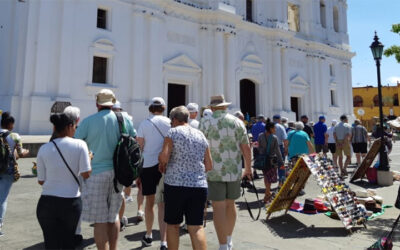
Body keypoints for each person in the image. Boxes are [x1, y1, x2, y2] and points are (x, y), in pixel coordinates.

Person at [75, 89, 136, 250]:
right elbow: (133, 140)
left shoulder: (88, 121)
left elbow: (76, 143)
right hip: (118, 173)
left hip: (95, 173)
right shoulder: (124, 120)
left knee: (100, 220)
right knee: (114, 216)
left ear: (97, 103)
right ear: (113, 102)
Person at [199, 95, 252, 250]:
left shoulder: (205, 122)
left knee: (218, 208)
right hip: (234, 170)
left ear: (212, 108)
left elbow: (200, 146)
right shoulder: (237, 121)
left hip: (213, 170)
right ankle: (229, 239)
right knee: (231, 205)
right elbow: (246, 147)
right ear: (225, 107)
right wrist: (248, 168)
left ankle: (223, 245)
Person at [158, 106, 212, 250]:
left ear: (174, 120)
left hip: (176, 184)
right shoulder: (200, 135)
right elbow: (209, 165)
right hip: (198, 185)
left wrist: (162, 163)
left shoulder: (173, 132)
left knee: (173, 225)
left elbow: (164, 157)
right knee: (196, 227)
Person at [36, 113, 91, 249]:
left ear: (54, 128)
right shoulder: (80, 145)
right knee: (68, 243)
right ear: (70, 126)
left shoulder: (44, 148)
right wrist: (89, 159)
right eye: (75, 127)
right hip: (70, 202)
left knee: (50, 244)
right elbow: (86, 174)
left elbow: (41, 181)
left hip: (46, 202)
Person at [136, 97, 170, 250]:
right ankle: (163, 241)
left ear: (150, 108)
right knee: (163, 203)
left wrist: (137, 172)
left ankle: (149, 234)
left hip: (148, 165)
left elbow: (139, 147)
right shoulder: (169, 122)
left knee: (150, 204)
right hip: (164, 165)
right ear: (163, 108)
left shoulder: (144, 123)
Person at [0, 112, 29, 237]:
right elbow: (20, 153)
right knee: (2, 199)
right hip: (7, 170)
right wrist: (26, 152)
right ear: (10, 124)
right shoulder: (15, 136)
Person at [111, 101, 135, 229]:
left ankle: (110, 220)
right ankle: (119, 220)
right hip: (122, 161)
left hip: (107, 162)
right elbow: (133, 138)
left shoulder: (103, 119)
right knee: (120, 194)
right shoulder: (126, 119)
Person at [257, 119, 283, 203]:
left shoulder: (260, 136)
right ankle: (267, 193)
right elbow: (277, 150)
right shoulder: (274, 138)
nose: (275, 130)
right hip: (272, 160)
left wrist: (263, 153)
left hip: (263, 159)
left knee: (265, 176)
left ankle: (267, 192)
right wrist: (281, 161)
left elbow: (259, 148)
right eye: (274, 128)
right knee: (270, 177)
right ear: (270, 128)